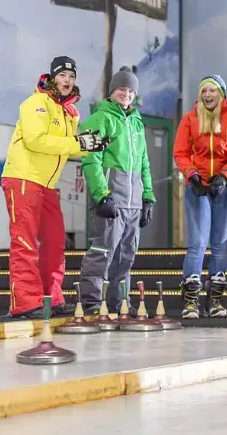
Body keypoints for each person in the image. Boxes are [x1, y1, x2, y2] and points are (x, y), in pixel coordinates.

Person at [1, 56, 108, 318]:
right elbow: (37, 140)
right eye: (62, 76)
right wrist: (78, 145)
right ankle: (26, 302)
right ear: (52, 77)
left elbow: (69, 144)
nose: (67, 81)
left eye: (71, 77)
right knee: (25, 241)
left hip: (47, 184)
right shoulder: (36, 103)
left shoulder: (70, 112)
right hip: (23, 178)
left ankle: (51, 297)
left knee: (55, 240)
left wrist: (91, 144)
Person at [77, 67, 155, 314]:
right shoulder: (100, 119)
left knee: (125, 256)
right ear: (112, 91)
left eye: (131, 90)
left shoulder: (136, 123)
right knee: (102, 251)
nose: (127, 94)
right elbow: (91, 159)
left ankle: (119, 304)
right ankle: (90, 305)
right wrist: (101, 195)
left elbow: (144, 162)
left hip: (132, 202)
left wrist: (148, 197)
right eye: (122, 88)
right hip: (111, 199)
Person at [173, 75, 227, 319]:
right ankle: (190, 301)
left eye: (212, 90)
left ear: (221, 93)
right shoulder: (190, 119)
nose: (207, 95)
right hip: (199, 187)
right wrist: (191, 174)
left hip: (226, 189)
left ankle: (214, 301)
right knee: (197, 244)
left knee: (219, 245)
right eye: (204, 90)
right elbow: (181, 152)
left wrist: (225, 177)